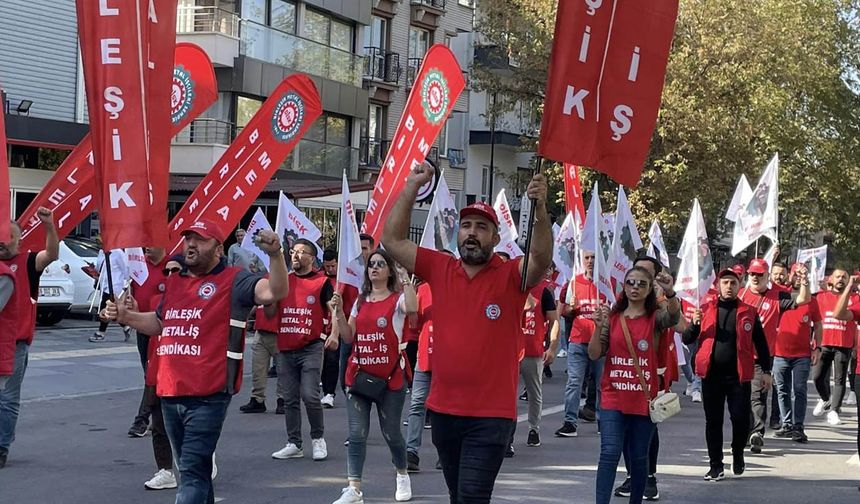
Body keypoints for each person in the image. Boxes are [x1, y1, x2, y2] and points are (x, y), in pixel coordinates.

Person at [381, 161, 553, 503]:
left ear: (495, 237)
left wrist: (542, 210)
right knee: (459, 495)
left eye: (481, 227)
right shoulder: (440, 266)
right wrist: (412, 186)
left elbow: (540, 257)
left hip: (491, 417)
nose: (471, 233)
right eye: (466, 226)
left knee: (473, 496)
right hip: (444, 414)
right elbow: (392, 239)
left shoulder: (511, 275)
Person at [104, 219, 289, 503]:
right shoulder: (175, 283)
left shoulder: (234, 279)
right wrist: (126, 317)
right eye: (188, 238)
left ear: (218, 249)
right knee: (196, 472)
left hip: (209, 396)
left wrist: (275, 255)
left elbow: (275, 291)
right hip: (170, 393)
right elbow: (158, 322)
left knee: (190, 473)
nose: (190, 244)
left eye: (200, 240)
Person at [328, 249, 417, 504]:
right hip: (359, 376)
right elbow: (348, 336)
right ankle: (353, 488)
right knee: (357, 433)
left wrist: (406, 278)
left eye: (380, 264)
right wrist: (339, 314)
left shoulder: (398, 299)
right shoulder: (360, 300)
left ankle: (402, 473)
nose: (374, 267)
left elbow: (413, 308)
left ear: (389, 270)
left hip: (391, 380)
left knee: (392, 433)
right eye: (371, 264)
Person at [588, 266, 680, 504]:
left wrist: (670, 293)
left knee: (639, 458)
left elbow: (673, 317)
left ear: (650, 289)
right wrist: (597, 327)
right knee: (609, 453)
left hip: (643, 399)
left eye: (641, 283)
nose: (635, 287)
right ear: (623, 287)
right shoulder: (613, 318)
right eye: (630, 282)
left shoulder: (655, 318)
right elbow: (594, 354)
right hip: (613, 397)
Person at [683, 268, 772, 481]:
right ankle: (716, 465)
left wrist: (767, 371)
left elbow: (760, 342)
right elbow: (687, 338)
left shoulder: (749, 311)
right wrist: (695, 324)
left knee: (740, 419)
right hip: (711, 375)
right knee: (713, 421)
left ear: (739, 285)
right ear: (718, 286)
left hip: (738, 376)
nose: (729, 287)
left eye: (733, 283)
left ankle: (738, 452)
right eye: (725, 283)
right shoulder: (705, 310)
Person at [0, 208, 58, 469]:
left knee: (8, 399)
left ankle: (1, 447)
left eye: (8, 238)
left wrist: (49, 227)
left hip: (15, 344)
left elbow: (52, 255)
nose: (3, 242)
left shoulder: (28, 261)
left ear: (18, 240)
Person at [271, 238, 337, 462]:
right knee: (289, 398)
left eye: (301, 252)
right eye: (293, 252)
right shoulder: (284, 281)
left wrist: (335, 333)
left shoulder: (322, 282)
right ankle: (294, 443)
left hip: (311, 347)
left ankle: (318, 438)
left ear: (312, 257)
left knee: (309, 394)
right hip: (285, 347)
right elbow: (269, 310)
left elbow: (334, 310)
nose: (296, 256)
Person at [739, 258, 804, 452]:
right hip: (739, 356)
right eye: (752, 274)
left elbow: (802, 300)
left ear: (767, 276)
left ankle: (757, 433)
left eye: (760, 274)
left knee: (757, 395)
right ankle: (744, 432)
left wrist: (805, 283)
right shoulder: (740, 295)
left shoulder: (778, 296)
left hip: (762, 358)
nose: (756, 277)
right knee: (741, 398)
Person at [556, 249, 604, 437]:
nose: (590, 261)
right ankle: (570, 422)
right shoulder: (574, 283)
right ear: (582, 260)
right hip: (577, 341)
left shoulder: (607, 283)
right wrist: (571, 307)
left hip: (600, 342)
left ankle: (603, 421)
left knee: (601, 384)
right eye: (587, 258)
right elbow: (563, 311)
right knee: (574, 382)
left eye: (593, 257)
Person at [771, 263, 817, 443]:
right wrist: (774, 256)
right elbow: (772, 280)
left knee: (799, 390)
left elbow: (818, 324)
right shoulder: (780, 294)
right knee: (782, 390)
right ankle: (787, 424)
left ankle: (798, 426)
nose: (798, 277)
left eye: (801, 275)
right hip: (780, 352)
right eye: (795, 274)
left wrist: (817, 347)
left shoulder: (810, 299)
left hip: (802, 354)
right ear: (789, 275)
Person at [514, 271, 559, 451]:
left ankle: (534, 428)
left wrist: (552, 347)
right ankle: (507, 435)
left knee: (534, 393)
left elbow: (554, 320)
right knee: (507, 394)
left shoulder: (544, 291)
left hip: (533, 351)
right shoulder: (509, 288)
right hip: (510, 351)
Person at [127, 247, 169, 438]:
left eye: (153, 243)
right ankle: (159, 417)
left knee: (152, 375)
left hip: (163, 331)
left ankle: (141, 420)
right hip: (143, 328)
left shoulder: (172, 267)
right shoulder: (138, 265)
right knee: (149, 374)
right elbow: (131, 294)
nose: (149, 247)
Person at [814, 269, 858, 426]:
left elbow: (854, 322)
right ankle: (826, 399)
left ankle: (834, 410)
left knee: (839, 380)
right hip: (824, 344)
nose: (841, 279)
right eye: (838, 276)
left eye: (844, 277)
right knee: (817, 377)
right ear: (830, 280)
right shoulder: (820, 297)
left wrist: (854, 345)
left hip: (843, 345)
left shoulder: (854, 298)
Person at [405, 273, 436, 473]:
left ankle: (446, 453)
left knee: (445, 411)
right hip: (425, 358)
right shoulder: (424, 289)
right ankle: (411, 452)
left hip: (451, 362)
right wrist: (410, 293)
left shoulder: (460, 290)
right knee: (417, 405)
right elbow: (414, 323)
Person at [238, 301, 284, 414]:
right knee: (258, 369)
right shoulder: (264, 285)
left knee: (283, 371)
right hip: (261, 331)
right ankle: (257, 398)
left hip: (280, 332)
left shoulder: (284, 288)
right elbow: (257, 303)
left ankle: (283, 399)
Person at [90, 247, 131, 342]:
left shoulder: (118, 253)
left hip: (115, 287)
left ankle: (101, 332)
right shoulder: (101, 252)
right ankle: (126, 326)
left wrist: (126, 287)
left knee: (105, 309)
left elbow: (126, 270)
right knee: (112, 311)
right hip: (103, 284)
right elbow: (99, 268)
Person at [320, 249, 340, 408]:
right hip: (323, 327)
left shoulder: (345, 279)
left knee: (337, 361)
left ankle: (332, 392)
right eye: (327, 266)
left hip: (341, 326)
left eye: (333, 266)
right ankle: (327, 391)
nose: (330, 269)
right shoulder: (320, 279)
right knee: (326, 361)